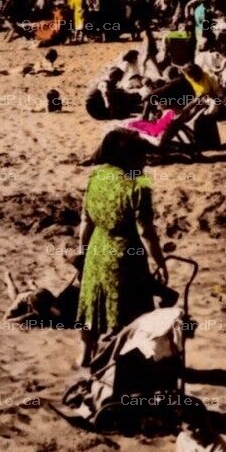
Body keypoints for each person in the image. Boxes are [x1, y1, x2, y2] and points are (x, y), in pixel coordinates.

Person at [75, 129, 167, 366]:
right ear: (130, 157)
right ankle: (120, 360)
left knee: (93, 301)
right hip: (125, 254)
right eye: (142, 157)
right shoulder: (139, 184)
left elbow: (86, 220)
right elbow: (146, 231)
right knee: (129, 307)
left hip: (97, 247)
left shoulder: (97, 175)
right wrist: (159, 261)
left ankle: (85, 353)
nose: (145, 162)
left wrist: (82, 253)